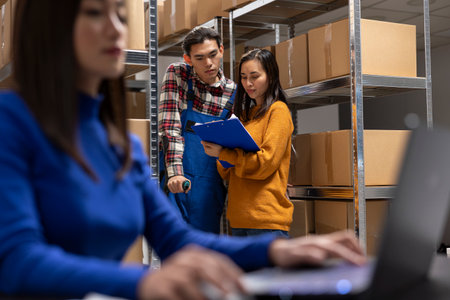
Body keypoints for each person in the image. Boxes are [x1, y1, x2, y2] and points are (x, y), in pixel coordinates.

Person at [0, 1, 366, 300]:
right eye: (96, 13)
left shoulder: (120, 144)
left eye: (120, 15)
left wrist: (275, 252)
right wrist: (140, 282)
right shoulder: (11, 121)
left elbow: (178, 239)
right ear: (50, 27)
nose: (115, 28)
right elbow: (16, 260)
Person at [201, 49, 294, 238]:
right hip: (238, 219)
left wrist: (226, 154)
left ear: (271, 75)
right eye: (243, 77)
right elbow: (227, 173)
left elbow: (266, 164)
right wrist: (220, 151)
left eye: (254, 76)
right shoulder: (246, 118)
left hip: (267, 220)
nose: (248, 83)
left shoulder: (278, 111)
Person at [158, 26, 236, 233]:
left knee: (205, 251)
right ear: (188, 59)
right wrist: (175, 173)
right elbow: (170, 126)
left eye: (212, 55)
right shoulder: (178, 74)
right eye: (199, 58)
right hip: (177, 179)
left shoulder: (234, 93)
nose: (208, 64)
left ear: (221, 50)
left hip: (210, 186)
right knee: (174, 248)